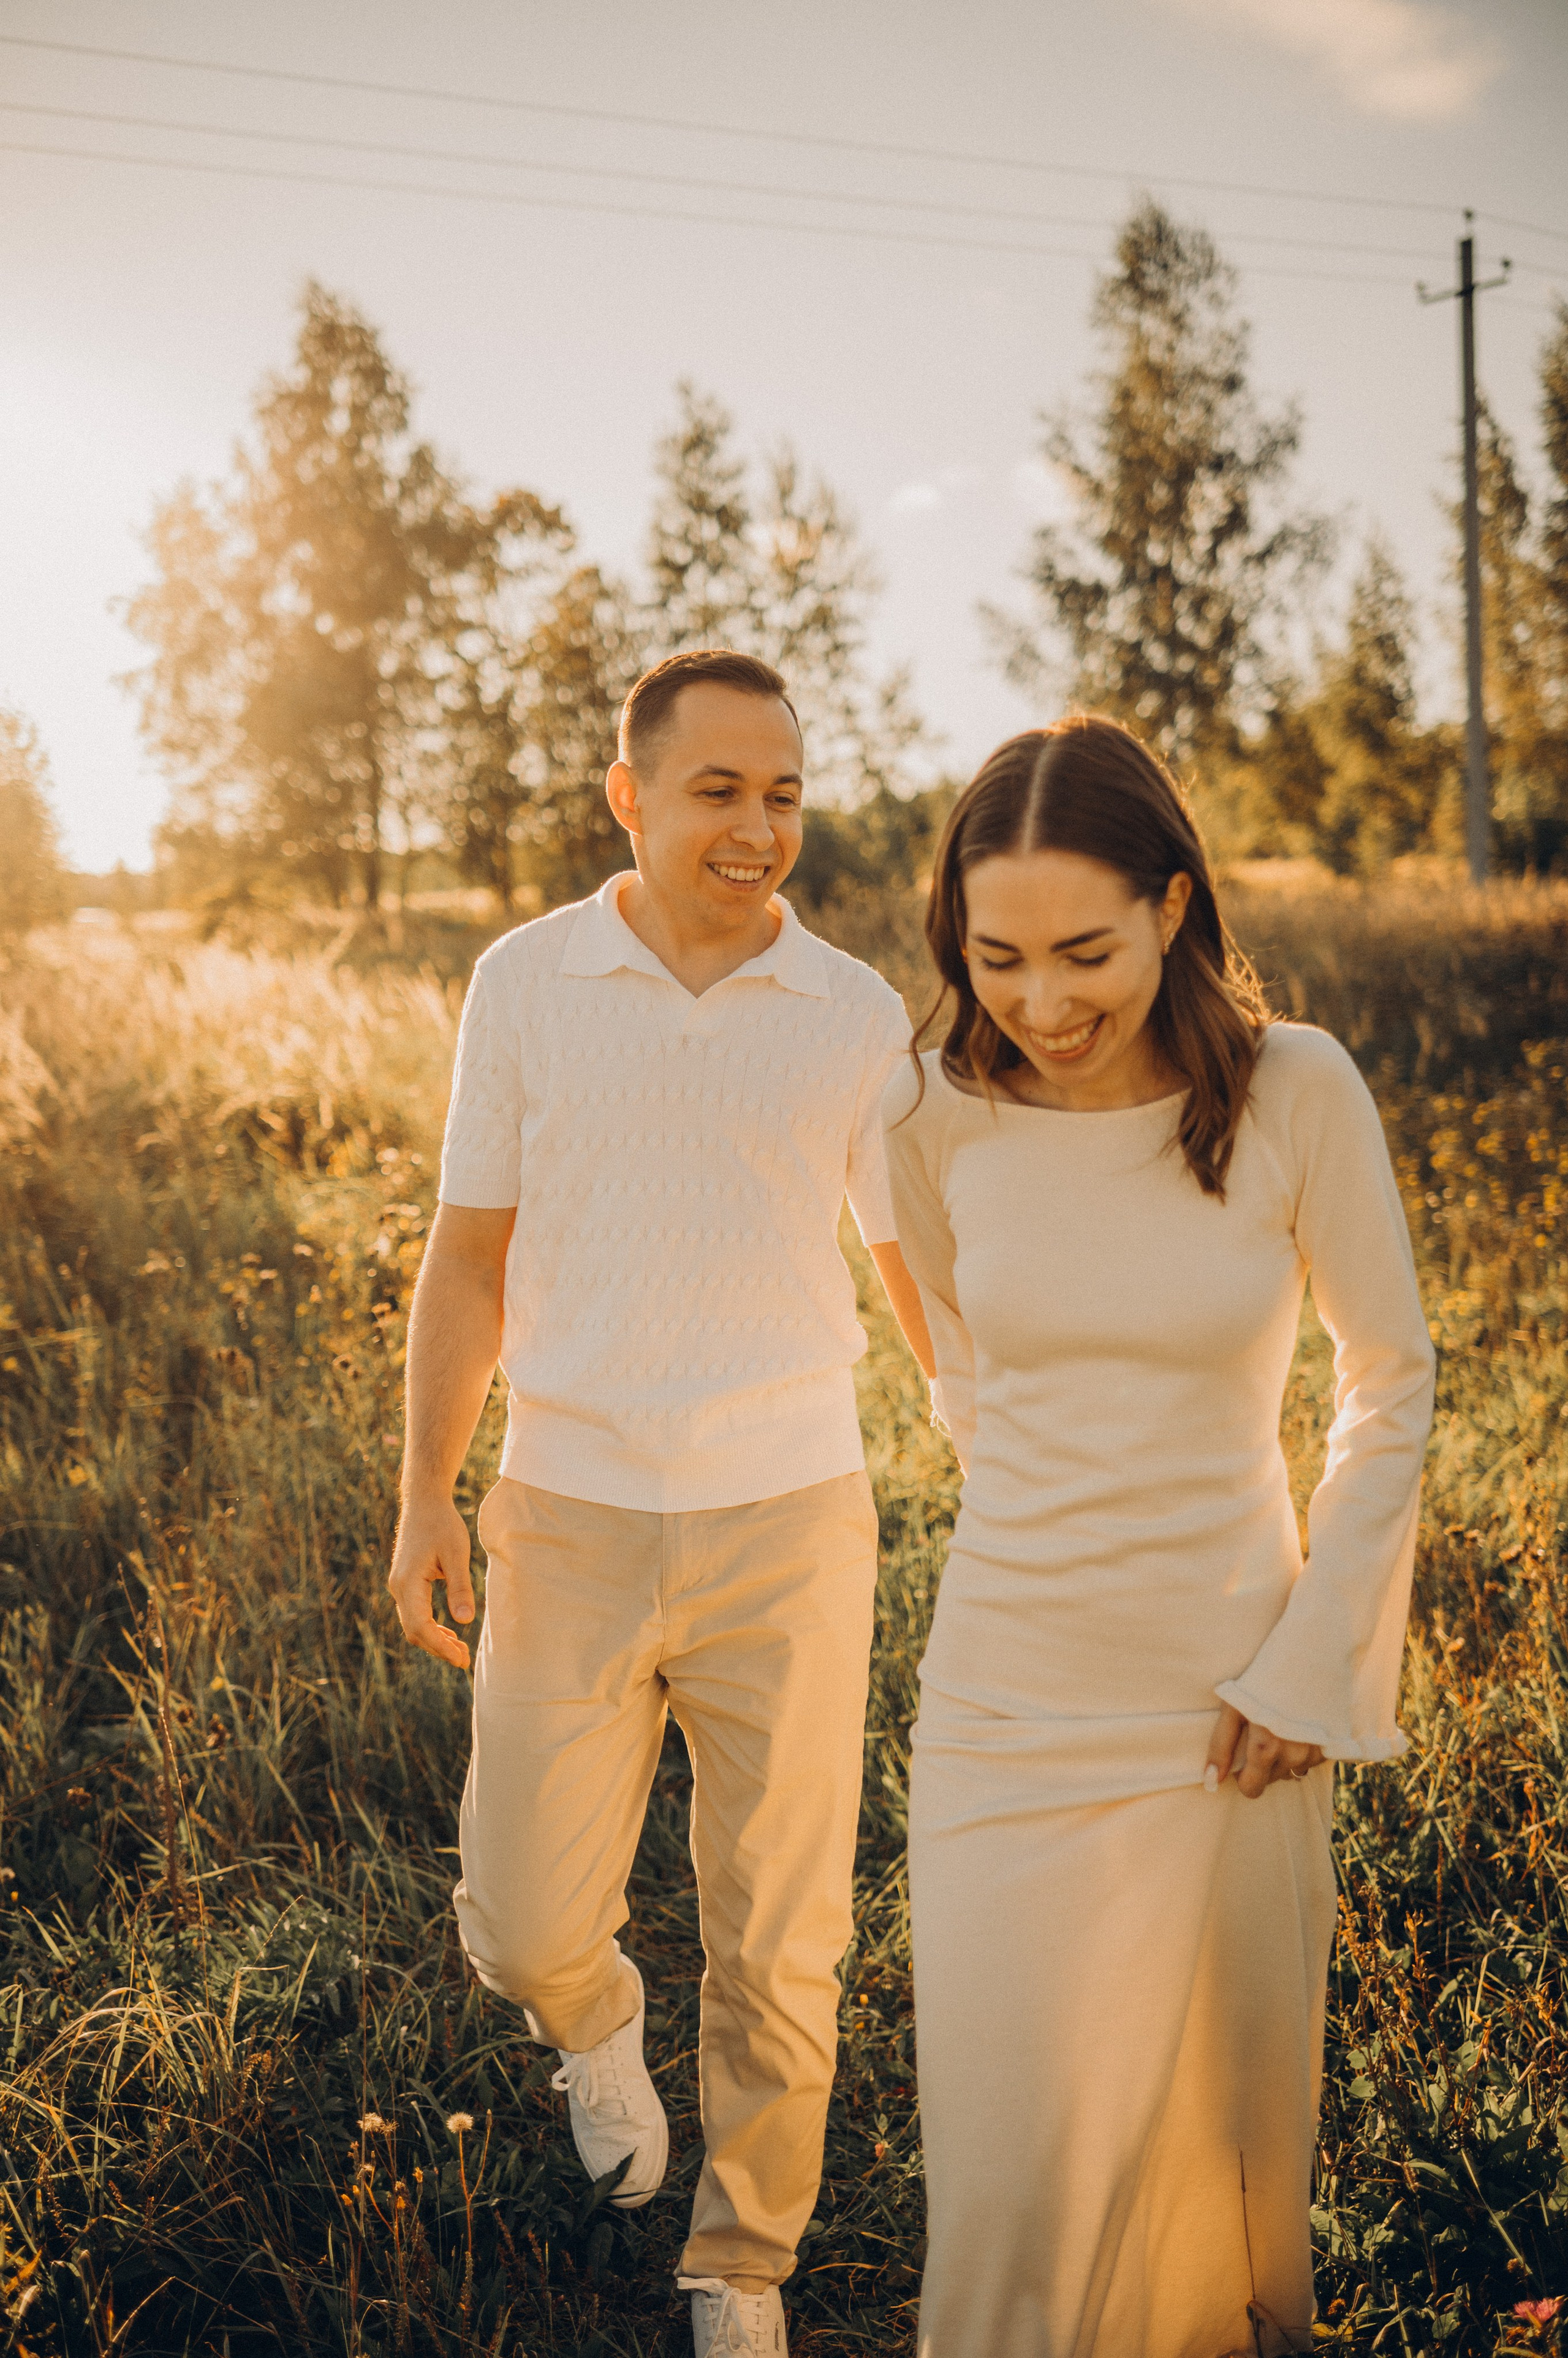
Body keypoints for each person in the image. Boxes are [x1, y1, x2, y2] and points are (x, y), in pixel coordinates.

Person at [387, 647, 933, 2358]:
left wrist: (1015, 1463)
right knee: (522, 1916)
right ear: (630, 796)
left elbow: (920, 1273)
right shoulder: (527, 983)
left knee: (785, 1930)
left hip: (793, 1522)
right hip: (569, 1507)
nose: (760, 827)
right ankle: (598, 2024)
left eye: (784, 793)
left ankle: (741, 2263)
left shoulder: (851, 1014)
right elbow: (466, 1262)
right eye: (720, 791)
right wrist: (430, 1497)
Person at [881, 716, 1435, 2358]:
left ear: (1175, 907)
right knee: (1003, 2177)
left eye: (1084, 954)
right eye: (996, 960)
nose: (1040, 1005)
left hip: (1232, 1711)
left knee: (1217, 2154)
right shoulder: (928, 1115)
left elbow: (1391, 1377)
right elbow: (960, 1372)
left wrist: (1308, 1661)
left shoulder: (1294, 1093)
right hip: (1002, 1704)